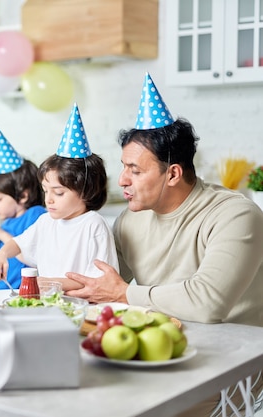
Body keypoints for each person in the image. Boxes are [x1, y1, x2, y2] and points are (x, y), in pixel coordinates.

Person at [65, 73, 263, 417]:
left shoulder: (236, 215)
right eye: (123, 167)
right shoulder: (129, 220)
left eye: (135, 170)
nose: (123, 180)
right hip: (159, 352)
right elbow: (104, 290)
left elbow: (208, 303)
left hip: (231, 367)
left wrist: (124, 294)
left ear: (172, 174)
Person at [0, 104, 119, 291]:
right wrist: (1, 254)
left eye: (58, 193)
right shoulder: (46, 221)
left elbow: (100, 281)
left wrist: (53, 283)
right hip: (50, 303)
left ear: (85, 191)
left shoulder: (93, 225)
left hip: (84, 308)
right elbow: (18, 244)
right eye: (45, 190)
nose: (48, 199)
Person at [0, 128, 45, 290]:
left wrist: (0, 234)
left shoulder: (37, 215)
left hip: (17, 291)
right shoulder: (6, 222)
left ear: (23, 196)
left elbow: (34, 255)